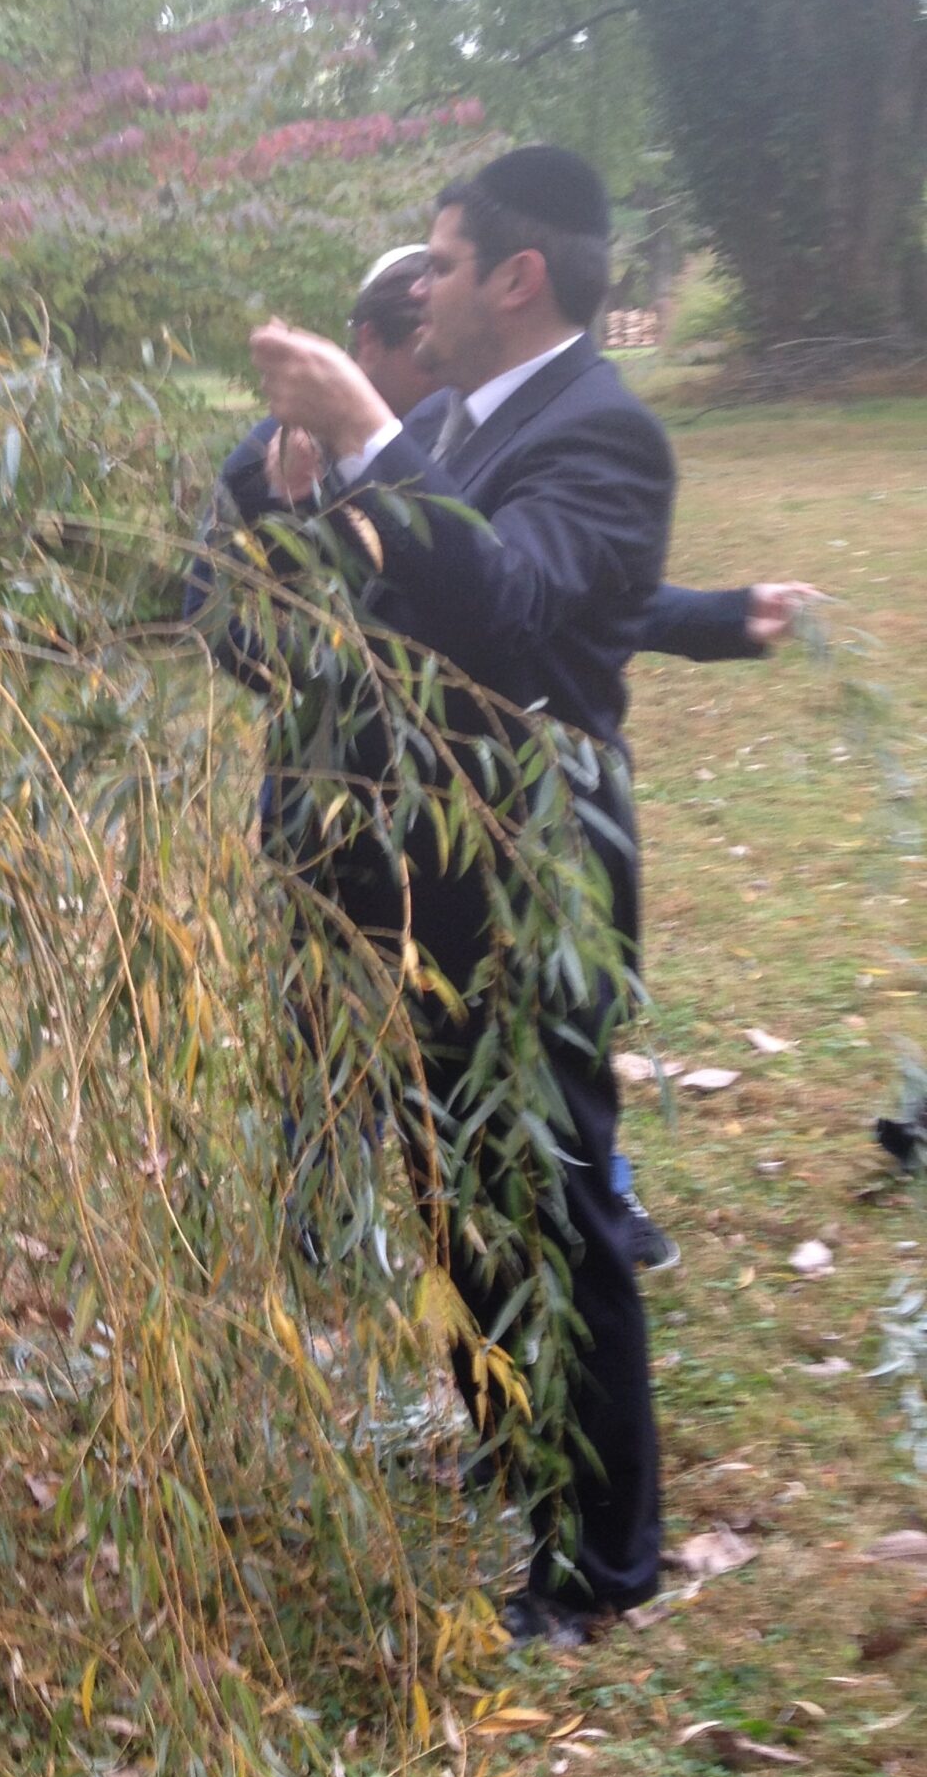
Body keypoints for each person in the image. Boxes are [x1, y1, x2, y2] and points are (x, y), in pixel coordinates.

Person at [242, 145, 675, 1645]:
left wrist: (367, 431)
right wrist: (311, 496)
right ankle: (513, 1446)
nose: (417, 288)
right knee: (457, 1186)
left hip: (538, 865)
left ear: (517, 276)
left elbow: (507, 617)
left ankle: (604, 1562)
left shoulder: (605, 435)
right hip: (422, 870)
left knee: (549, 1195)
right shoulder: (451, 423)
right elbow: (374, 628)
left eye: (438, 261)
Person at [190, 247, 821, 1277]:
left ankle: (583, 1187)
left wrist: (718, 618)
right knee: (336, 1008)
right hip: (338, 806)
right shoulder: (270, 459)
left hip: (479, 814)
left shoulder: (458, 443)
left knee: (515, 1018)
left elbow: (534, 594)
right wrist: (334, 645)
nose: (442, 380)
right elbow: (220, 617)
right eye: (422, 356)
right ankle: (324, 1196)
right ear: (364, 348)